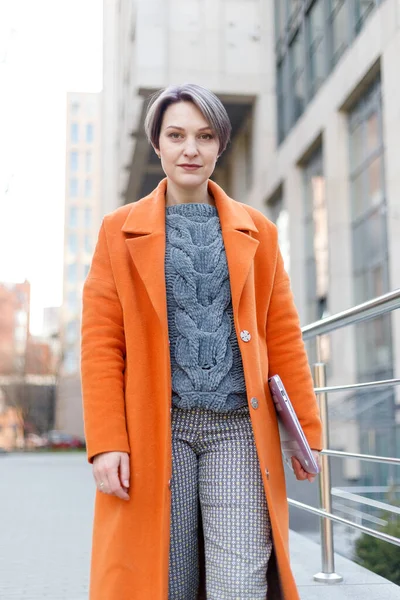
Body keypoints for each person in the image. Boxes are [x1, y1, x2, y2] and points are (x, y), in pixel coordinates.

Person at [81, 83, 323, 600]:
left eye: (204, 136)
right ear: (158, 145)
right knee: (165, 580)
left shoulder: (258, 231)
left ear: (219, 145)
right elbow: (102, 343)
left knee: (240, 582)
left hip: (237, 428)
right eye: (176, 135)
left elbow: (282, 332)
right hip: (155, 429)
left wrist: (306, 432)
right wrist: (106, 443)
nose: (190, 148)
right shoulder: (116, 231)